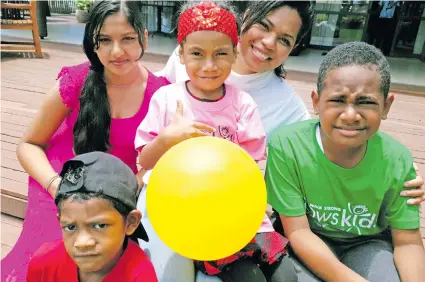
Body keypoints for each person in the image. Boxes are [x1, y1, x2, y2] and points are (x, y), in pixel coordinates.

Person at [149, 1, 425, 281]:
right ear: (245, 18)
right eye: (264, 26)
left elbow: (330, 133)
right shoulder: (192, 51)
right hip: (178, 202)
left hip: (242, 216)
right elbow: (153, 103)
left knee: (279, 273)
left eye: (284, 39)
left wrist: (397, 163)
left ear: (293, 49)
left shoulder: (288, 106)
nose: (269, 43)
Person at [1, 1, 169, 281]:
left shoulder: (162, 95)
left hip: (118, 196)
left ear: (145, 37)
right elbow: (28, 144)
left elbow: (155, 163)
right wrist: (58, 188)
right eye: (104, 40)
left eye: (127, 38)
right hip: (59, 185)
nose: (117, 51)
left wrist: (123, 195)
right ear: (93, 42)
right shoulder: (75, 81)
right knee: (49, 263)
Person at [136, 2, 296, 282]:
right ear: (181, 54)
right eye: (197, 53)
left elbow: (253, 165)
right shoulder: (167, 99)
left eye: (221, 54)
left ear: (234, 54)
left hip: (241, 212)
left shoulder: (242, 103)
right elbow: (145, 161)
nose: (209, 66)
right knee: (250, 278)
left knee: (286, 276)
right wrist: (166, 139)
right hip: (195, 215)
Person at [266, 42, 425, 282]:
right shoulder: (287, 146)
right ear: (316, 102)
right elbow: (298, 231)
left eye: (366, 102)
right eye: (338, 100)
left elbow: (408, 242)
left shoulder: (397, 159)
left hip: (368, 243)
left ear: (386, 105)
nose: (350, 115)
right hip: (307, 239)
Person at [27, 152, 157, 282]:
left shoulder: (140, 275)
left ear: (130, 222)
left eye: (100, 225)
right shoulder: (44, 262)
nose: (82, 243)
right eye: (71, 227)